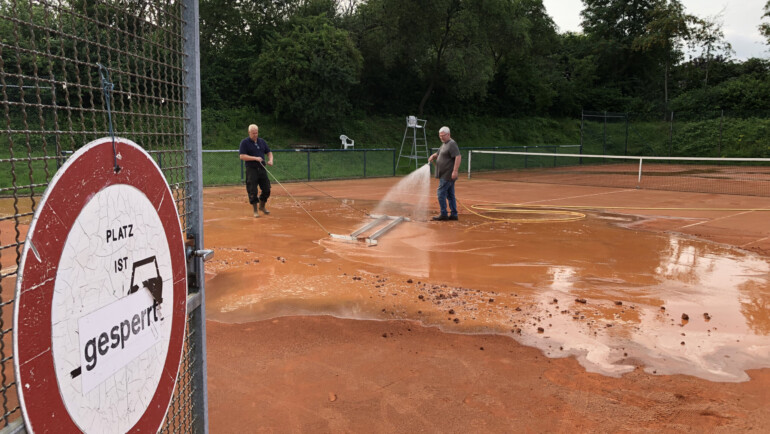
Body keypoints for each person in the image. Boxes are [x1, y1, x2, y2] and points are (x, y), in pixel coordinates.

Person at [427, 126, 461, 221]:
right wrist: (433, 156)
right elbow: (439, 154)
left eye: (443, 136)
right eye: (440, 136)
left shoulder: (452, 144)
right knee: (450, 195)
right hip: (444, 175)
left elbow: (458, 157)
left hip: (447, 175)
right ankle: (454, 214)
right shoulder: (444, 144)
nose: (441, 137)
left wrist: (455, 171)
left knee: (441, 193)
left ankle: (444, 214)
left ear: (448, 134)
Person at [239, 124, 273, 218]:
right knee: (252, 190)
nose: (255, 135)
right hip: (251, 170)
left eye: (256, 133)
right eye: (253, 133)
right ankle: (255, 210)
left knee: (267, 189)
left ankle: (262, 206)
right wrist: (254, 158)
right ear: (249, 132)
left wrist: (270, 160)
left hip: (262, 169)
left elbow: (269, 152)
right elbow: (242, 156)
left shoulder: (262, 141)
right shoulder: (244, 142)